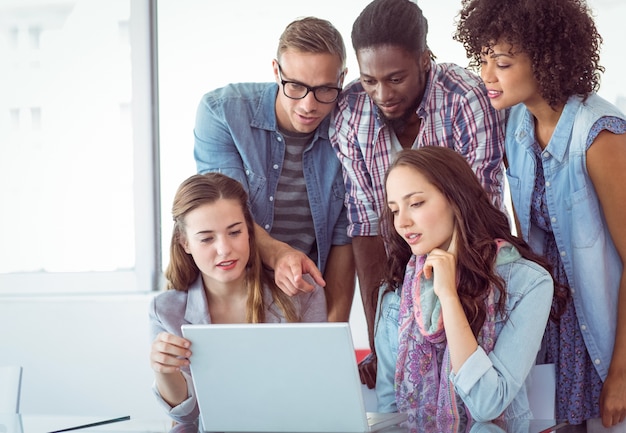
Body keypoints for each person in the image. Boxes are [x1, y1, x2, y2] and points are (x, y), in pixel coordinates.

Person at [454, 0, 626, 427]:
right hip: (550, 328)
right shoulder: (513, 123)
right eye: (483, 58)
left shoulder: (599, 135)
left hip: (607, 333)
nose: (486, 75)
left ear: (547, 60)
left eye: (503, 63)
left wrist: (622, 372)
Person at [329, 0, 506, 386]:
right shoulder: (350, 113)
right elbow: (367, 230)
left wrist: (457, 320)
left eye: (395, 78)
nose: (382, 93)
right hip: (400, 281)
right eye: (369, 80)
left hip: (474, 272)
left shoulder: (465, 99)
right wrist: (381, 342)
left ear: (425, 59)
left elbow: (480, 216)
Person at [375, 147, 554, 429]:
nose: (402, 221)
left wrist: (448, 296)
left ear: (456, 199)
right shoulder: (397, 291)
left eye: (416, 203)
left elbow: (487, 403)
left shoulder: (529, 283)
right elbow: (388, 413)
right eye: (394, 210)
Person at [193, 17, 354, 322]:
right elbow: (224, 213)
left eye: (324, 90)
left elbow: (343, 239)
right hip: (227, 292)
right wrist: (278, 253)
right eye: (295, 86)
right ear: (276, 71)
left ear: (342, 79)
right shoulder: (222, 112)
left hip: (301, 297)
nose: (309, 105)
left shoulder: (349, 126)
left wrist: (333, 332)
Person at [149, 173, 327, 423]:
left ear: (249, 232)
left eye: (234, 232)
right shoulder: (165, 310)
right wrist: (163, 372)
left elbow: (319, 392)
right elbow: (188, 416)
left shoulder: (300, 292)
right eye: (207, 238)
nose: (224, 249)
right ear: (185, 242)